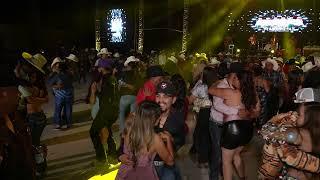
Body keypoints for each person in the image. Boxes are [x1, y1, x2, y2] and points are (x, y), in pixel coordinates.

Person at [209, 70, 260, 180]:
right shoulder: (253, 95)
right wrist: (246, 112)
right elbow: (257, 112)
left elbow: (210, 90)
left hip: (233, 130)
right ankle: (242, 177)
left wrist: (216, 82)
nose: (233, 80)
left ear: (240, 81)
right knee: (237, 155)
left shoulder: (231, 92)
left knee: (226, 162)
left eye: (236, 78)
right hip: (247, 130)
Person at [258, 88, 320, 179]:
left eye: (299, 111)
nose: (296, 112)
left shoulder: (296, 134)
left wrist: (278, 117)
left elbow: (265, 131)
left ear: (308, 113)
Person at [116, 101, 174, 180]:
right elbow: (170, 162)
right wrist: (168, 139)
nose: (160, 118)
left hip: (125, 173)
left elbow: (122, 143)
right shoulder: (155, 139)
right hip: (144, 175)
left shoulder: (128, 125)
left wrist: (120, 155)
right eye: (159, 116)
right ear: (154, 119)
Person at [89, 59, 118, 166]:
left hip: (105, 111)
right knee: (107, 132)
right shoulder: (113, 78)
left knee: (93, 132)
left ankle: (101, 158)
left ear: (101, 68)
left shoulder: (105, 80)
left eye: (99, 68)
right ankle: (113, 155)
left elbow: (106, 97)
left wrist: (95, 90)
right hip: (113, 111)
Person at [189, 66, 219, 167]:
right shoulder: (218, 85)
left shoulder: (200, 87)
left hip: (204, 112)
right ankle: (213, 159)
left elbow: (190, 100)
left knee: (203, 136)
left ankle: (203, 160)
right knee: (213, 136)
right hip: (216, 112)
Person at [48, 58, 74, 129]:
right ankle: (69, 124)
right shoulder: (69, 73)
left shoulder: (56, 75)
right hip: (69, 94)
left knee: (58, 109)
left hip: (60, 95)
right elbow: (72, 81)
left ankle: (58, 124)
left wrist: (56, 86)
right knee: (68, 109)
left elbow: (50, 84)